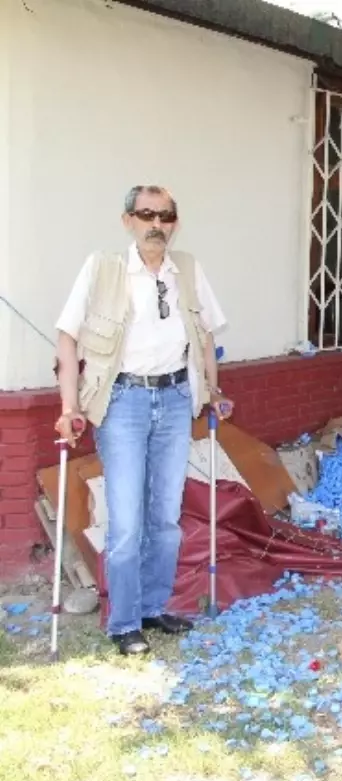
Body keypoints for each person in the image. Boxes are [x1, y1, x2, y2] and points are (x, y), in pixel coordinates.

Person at [53, 185, 233, 656]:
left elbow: (207, 333)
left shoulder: (187, 270)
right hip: (124, 403)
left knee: (166, 517)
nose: (157, 224)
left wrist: (213, 392)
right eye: (147, 214)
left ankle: (154, 607)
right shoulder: (103, 269)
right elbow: (67, 337)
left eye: (166, 215)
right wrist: (69, 407)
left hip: (175, 399)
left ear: (175, 221)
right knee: (127, 519)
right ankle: (125, 622)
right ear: (128, 220)